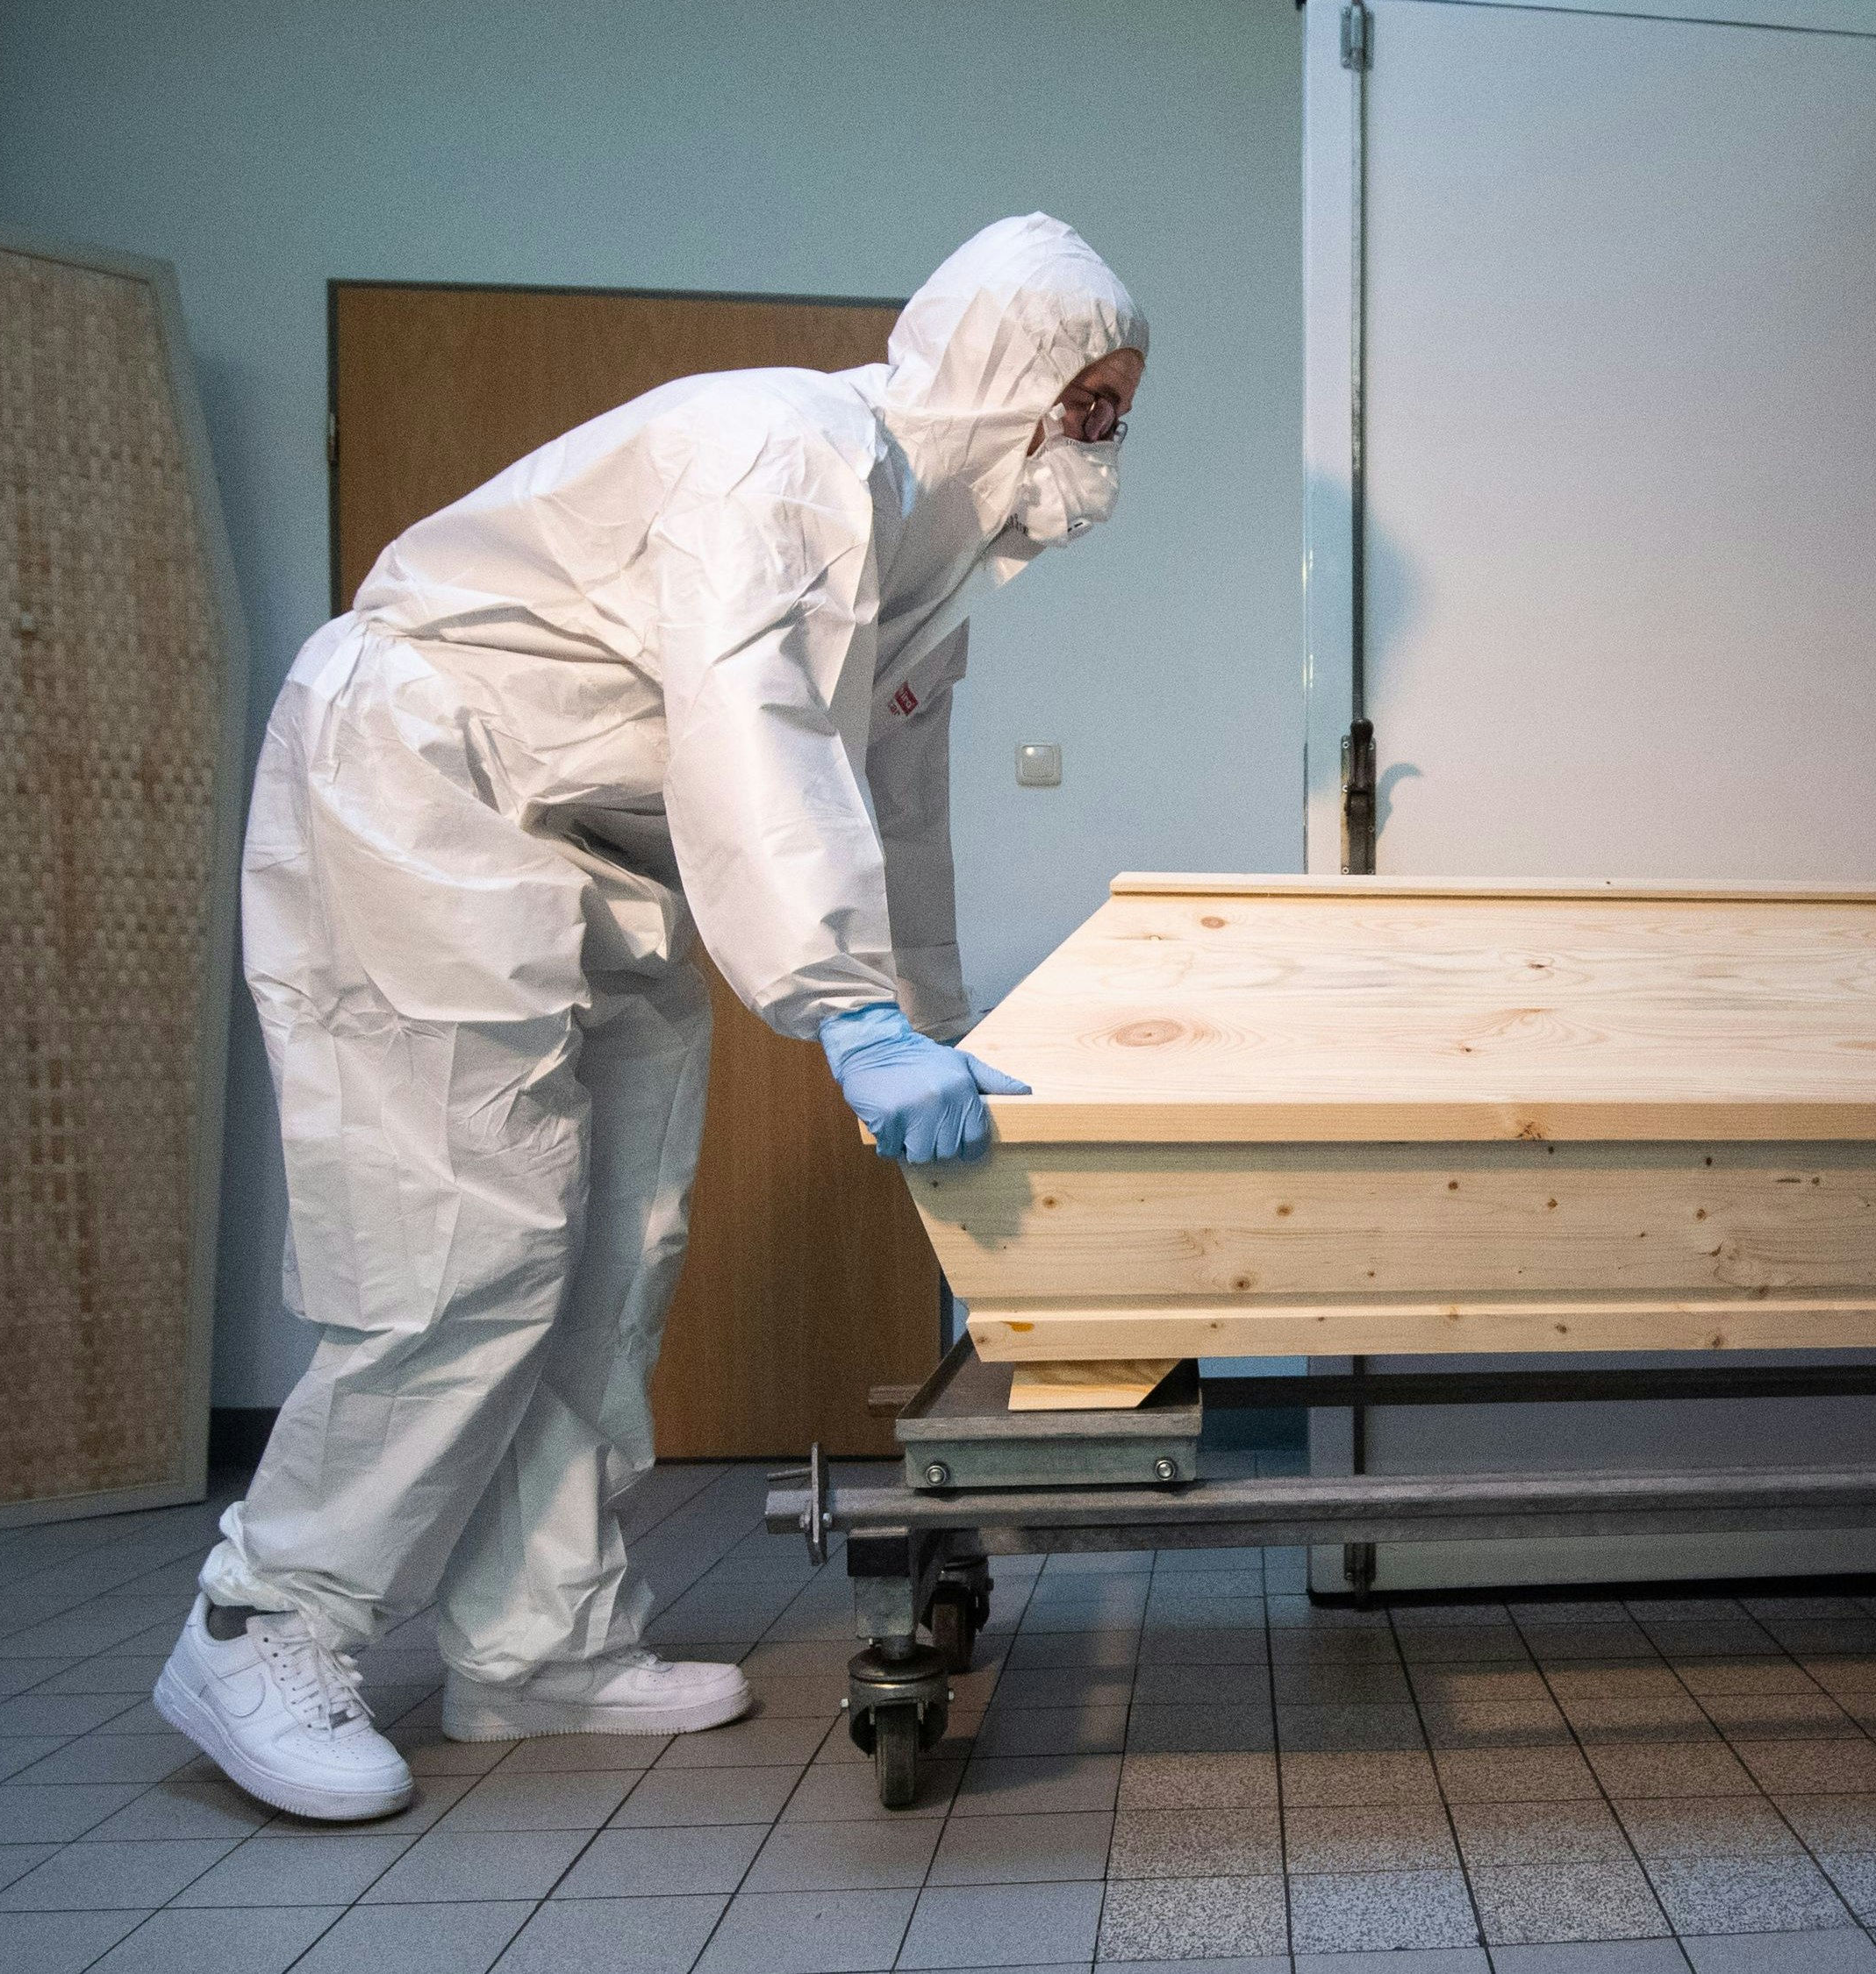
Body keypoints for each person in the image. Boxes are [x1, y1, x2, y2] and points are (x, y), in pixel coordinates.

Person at [149, 215, 1146, 1821]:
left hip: (606, 850)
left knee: (618, 1238)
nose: (1107, 436)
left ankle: (537, 1646)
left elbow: (899, 815)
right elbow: (755, 729)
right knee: (458, 1240)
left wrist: (930, 1034)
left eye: (1119, 406)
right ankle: (265, 1616)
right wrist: (846, 1009)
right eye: (1088, 398)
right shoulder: (789, 454)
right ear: (998, 376)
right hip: (428, 779)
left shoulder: (930, 565)